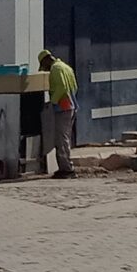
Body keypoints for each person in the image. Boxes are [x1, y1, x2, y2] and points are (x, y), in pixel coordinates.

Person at [39, 49, 78, 179]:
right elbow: (74, 87)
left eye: (44, 66)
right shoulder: (66, 67)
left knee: (61, 138)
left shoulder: (55, 69)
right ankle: (66, 166)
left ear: (46, 60)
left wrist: (52, 101)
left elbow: (62, 87)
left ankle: (66, 169)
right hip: (71, 105)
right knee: (65, 137)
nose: (46, 69)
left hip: (63, 107)